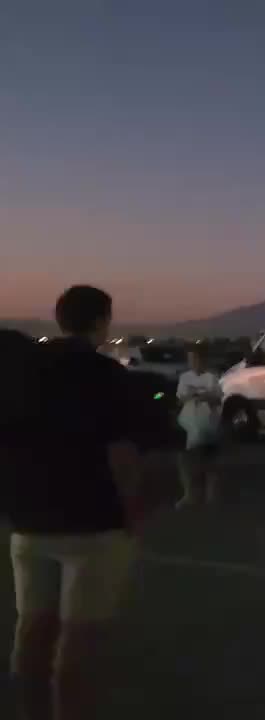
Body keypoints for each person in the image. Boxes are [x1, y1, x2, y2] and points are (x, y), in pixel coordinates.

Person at [7, 286, 146, 720]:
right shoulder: (107, 375)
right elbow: (120, 451)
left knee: (32, 630)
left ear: (60, 318)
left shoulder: (23, 370)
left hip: (29, 521)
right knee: (79, 640)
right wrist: (132, 509)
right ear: (102, 320)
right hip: (92, 524)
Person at [175, 346, 223, 508]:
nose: (193, 363)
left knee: (209, 462)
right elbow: (180, 399)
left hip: (208, 425)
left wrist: (204, 396)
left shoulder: (212, 377)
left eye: (196, 359)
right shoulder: (184, 377)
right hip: (188, 426)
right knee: (186, 461)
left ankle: (211, 497)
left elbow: (217, 399)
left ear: (204, 360)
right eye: (190, 359)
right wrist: (191, 396)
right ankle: (189, 495)